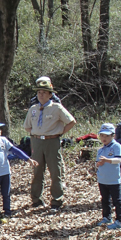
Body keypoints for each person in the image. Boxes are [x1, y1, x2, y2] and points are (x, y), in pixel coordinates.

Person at [23, 77, 76, 212]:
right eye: (39, 92)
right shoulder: (33, 109)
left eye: (44, 92)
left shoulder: (56, 108)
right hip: (36, 141)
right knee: (37, 171)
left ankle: (57, 200)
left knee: (55, 171)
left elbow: (71, 121)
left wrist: (59, 132)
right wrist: (36, 134)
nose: (41, 95)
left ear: (50, 94)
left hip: (52, 141)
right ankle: (36, 199)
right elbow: (27, 126)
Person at [95, 123, 121, 230]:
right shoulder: (101, 150)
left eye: (107, 136)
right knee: (105, 200)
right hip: (102, 179)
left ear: (113, 136)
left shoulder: (117, 147)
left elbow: (118, 160)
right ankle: (107, 217)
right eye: (102, 135)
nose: (104, 138)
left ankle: (120, 220)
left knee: (117, 200)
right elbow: (97, 163)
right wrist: (98, 164)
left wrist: (107, 160)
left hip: (113, 180)